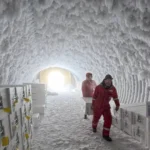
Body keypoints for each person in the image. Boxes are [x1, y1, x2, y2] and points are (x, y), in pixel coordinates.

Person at [91, 74, 120, 142]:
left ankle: (105, 135)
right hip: (97, 106)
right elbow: (94, 97)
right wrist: (93, 104)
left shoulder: (113, 88)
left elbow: (115, 97)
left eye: (110, 80)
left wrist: (117, 105)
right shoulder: (98, 87)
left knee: (108, 119)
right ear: (104, 80)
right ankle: (94, 127)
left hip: (106, 107)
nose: (108, 81)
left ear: (111, 81)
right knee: (96, 118)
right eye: (107, 80)